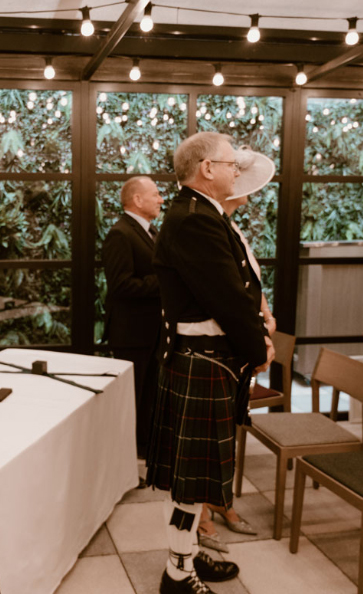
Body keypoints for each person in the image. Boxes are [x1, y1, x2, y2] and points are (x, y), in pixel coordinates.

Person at [147, 132, 274, 594]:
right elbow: (229, 298)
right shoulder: (194, 219)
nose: (235, 171)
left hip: (209, 361)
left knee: (193, 479)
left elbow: (237, 291)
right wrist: (259, 349)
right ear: (206, 169)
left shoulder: (201, 215)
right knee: (189, 482)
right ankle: (178, 574)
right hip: (203, 360)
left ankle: (186, 558)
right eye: (230, 164)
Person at [194, 146, 276, 552]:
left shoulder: (233, 229)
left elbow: (249, 283)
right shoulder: (207, 225)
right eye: (241, 183)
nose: (247, 191)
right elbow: (226, 294)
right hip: (217, 349)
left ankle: (220, 501)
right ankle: (203, 516)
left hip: (242, 342)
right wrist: (256, 342)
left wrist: (266, 315)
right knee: (210, 437)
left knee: (227, 431)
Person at [102, 176, 164, 460]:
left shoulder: (151, 232)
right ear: (138, 200)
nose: (161, 199)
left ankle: (146, 446)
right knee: (135, 396)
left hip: (152, 331)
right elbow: (121, 285)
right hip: (132, 333)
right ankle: (130, 452)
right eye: (155, 194)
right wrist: (164, 281)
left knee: (149, 393)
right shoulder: (121, 233)